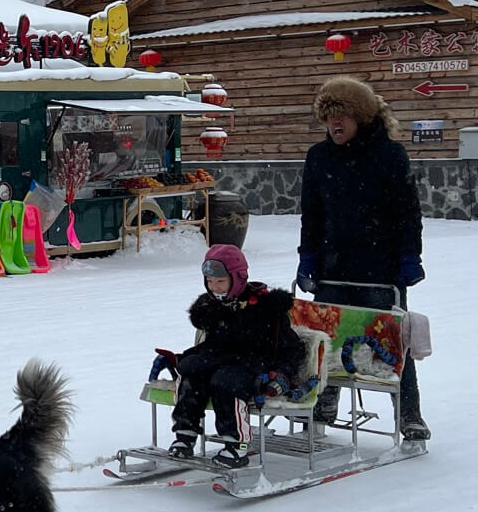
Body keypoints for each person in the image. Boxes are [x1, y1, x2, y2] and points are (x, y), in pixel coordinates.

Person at [296, 76, 430, 441]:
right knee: (324, 339)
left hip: (380, 268)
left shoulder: (389, 156)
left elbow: (407, 213)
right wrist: (307, 256)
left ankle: (409, 415)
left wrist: (409, 257)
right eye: (329, 118)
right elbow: (311, 213)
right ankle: (321, 406)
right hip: (332, 267)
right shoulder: (319, 156)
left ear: (362, 117)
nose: (335, 125)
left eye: (343, 116)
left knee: (391, 340)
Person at [169, 244, 310, 469]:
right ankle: (185, 436)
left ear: (238, 278)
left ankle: (236, 446)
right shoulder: (214, 307)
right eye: (210, 282)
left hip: (254, 364)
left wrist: (284, 373)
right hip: (220, 360)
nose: (215, 288)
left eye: (220, 281)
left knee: (226, 383)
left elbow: (291, 347)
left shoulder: (264, 307)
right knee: (191, 378)